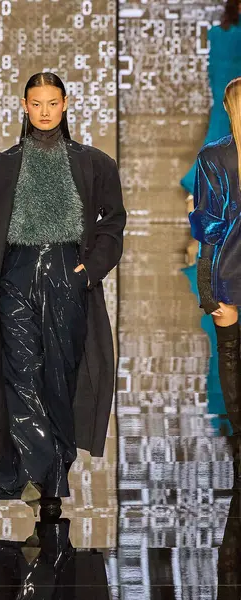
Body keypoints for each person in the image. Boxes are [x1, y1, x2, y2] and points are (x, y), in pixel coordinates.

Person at [0, 72, 126, 518]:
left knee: (59, 377)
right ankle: (43, 469)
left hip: (66, 273)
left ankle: (48, 471)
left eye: (53, 102)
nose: (46, 111)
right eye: (37, 103)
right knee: (21, 372)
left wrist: (87, 271)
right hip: (15, 273)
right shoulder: (3, 166)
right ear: (24, 106)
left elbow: (113, 223)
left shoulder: (95, 163)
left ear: (66, 104)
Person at [189, 77, 241, 455]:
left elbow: (209, 223)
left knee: (229, 351)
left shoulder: (213, 156)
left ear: (226, 108)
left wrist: (205, 281)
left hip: (229, 267)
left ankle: (240, 439)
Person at [182, 0, 241, 265]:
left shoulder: (219, 33)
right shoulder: (221, 34)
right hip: (225, 104)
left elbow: (214, 75)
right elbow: (217, 76)